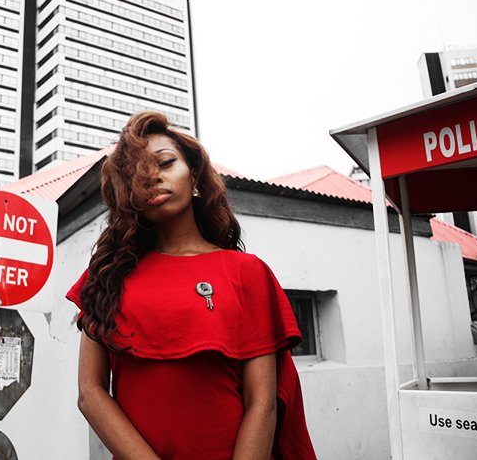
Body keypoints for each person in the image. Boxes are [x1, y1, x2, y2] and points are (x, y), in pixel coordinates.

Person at [66, 112, 316, 460]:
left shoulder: (247, 273)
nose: (152, 177)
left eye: (165, 163)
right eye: (136, 174)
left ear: (194, 176)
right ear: (129, 194)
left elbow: (262, 403)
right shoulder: (107, 276)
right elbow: (90, 393)